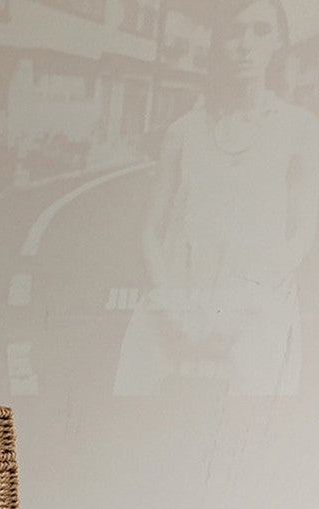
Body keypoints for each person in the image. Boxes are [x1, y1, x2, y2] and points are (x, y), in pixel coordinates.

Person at [113, 0, 319, 396]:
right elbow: (152, 232)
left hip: (258, 311)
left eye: (260, 31)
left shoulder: (301, 130)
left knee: (250, 432)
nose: (246, 44)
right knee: (140, 418)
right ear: (219, 42)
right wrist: (173, 303)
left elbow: (300, 236)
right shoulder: (184, 132)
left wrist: (242, 308)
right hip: (176, 307)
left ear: (279, 41)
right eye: (235, 32)